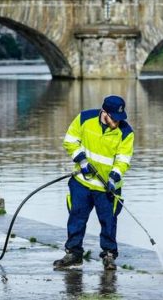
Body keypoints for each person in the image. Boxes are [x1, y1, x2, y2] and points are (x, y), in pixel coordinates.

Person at [54, 95, 134, 271]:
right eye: (113, 118)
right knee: (76, 217)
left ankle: (109, 255)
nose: (116, 122)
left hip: (108, 187)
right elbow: (70, 140)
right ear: (104, 112)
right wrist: (81, 161)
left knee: (109, 222)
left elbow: (123, 159)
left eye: (119, 119)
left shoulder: (126, 132)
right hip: (82, 182)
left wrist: (114, 177)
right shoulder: (84, 119)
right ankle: (74, 254)